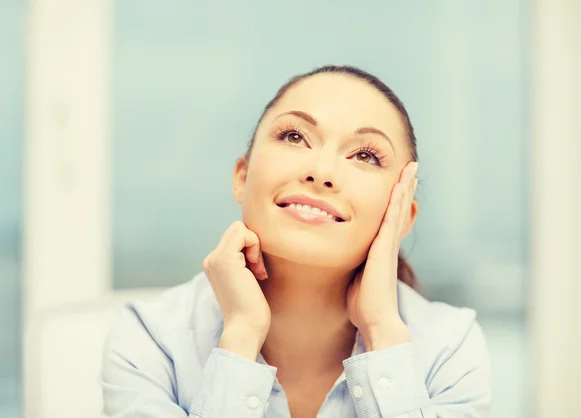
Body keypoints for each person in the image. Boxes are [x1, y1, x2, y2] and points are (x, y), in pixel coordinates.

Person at [100, 65, 492, 418]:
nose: (321, 172)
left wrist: (382, 333)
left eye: (365, 156)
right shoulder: (150, 341)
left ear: (403, 214)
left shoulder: (450, 348)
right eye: (294, 136)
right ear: (242, 175)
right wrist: (241, 334)